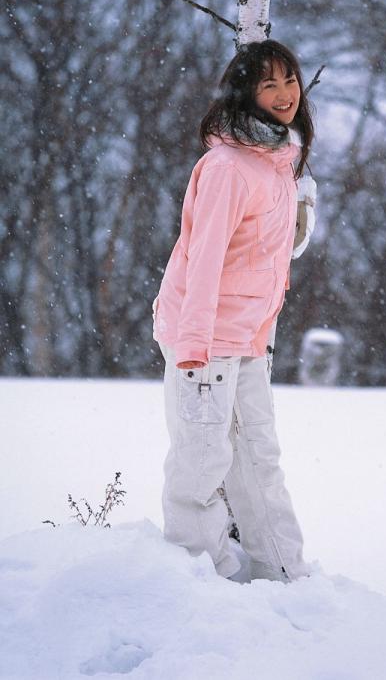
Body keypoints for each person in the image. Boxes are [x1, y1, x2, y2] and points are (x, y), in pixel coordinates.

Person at [152, 39, 317, 583]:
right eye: (268, 83)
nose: (284, 93)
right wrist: (195, 349)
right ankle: (202, 587)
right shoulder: (227, 166)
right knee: (200, 465)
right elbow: (204, 262)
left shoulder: (278, 164)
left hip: (246, 339)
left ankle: (285, 577)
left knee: (258, 461)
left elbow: (269, 257)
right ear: (246, 93)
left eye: (289, 79)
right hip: (205, 340)